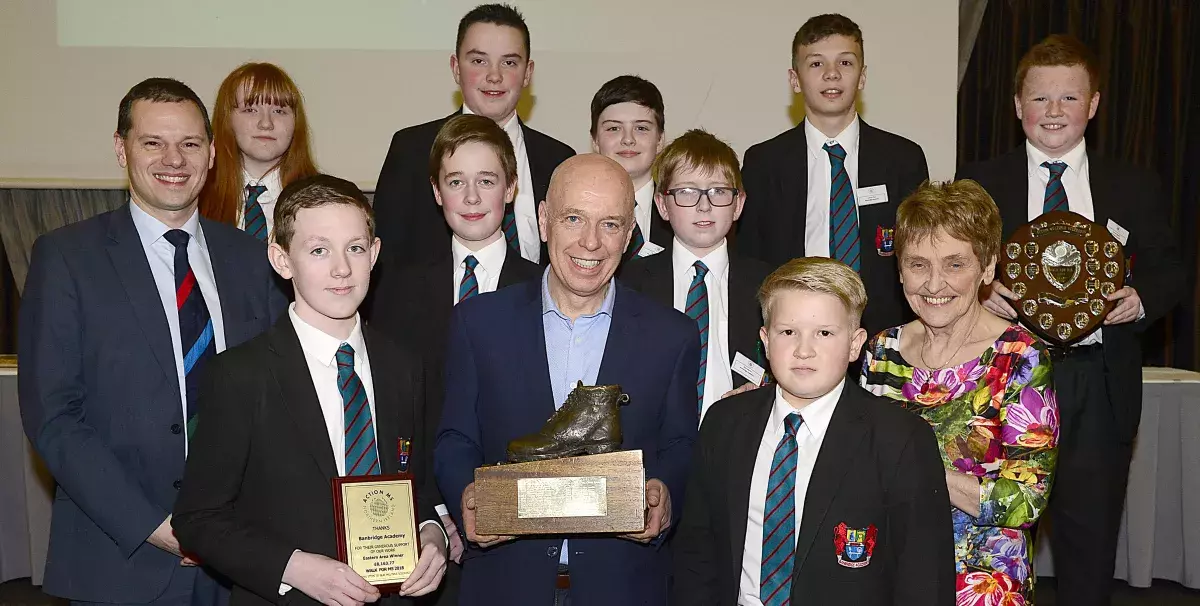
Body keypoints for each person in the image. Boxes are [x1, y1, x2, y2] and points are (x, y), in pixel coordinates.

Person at [18, 77, 286, 605]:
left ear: (211, 154)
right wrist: (154, 525)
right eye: (153, 143)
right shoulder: (68, 258)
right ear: (121, 149)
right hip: (124, 560)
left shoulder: (254, 260)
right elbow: (53, 415)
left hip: (244, 564)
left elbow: (280, 395)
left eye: (189, 144)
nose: (174, 159)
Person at [956, 34, 1184, 605]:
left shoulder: (1134, 184)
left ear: (1095, 105)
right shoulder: (979, 182)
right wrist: (978, 293)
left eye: (1068, 98)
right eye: (1040, 99)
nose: (1053, 112)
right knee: (992, 542)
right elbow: (951, 264)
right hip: (1004, 383)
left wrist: (1142, 299)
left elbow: (1171, 267)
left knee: (1089, 546)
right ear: (1017, 106)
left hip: (1097, 383)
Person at [434, 154, 700, 606]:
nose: (591, 242)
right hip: (505, 583)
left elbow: (680, 445)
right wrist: (468, 494)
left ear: (630, 233)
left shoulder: (671, 335)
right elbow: (454, 437)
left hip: (624, 586)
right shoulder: (477, 324)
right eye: (573, 218)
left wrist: (665, 494)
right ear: (543, 220)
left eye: (611, 224)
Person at [173, 175, 448, 606]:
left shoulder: (403, 367)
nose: (342, 268)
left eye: (355, 248)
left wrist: (433, 536)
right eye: (319, 250)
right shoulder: (242, 374)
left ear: (374, 255)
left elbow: (420, 485)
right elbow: (197, 518)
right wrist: (294, 567)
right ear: (282, 261)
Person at [673, 257, 954, 605]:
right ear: (765, 339)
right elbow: (696, 555)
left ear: (855, 344)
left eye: (824, 333)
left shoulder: (901, 440)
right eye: (788, 332)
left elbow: (925, 580)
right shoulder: (724, 423)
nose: (804, 350)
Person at [860, 180, 1059, 604]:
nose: (934, 284)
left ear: (987, 268)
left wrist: (923, 470)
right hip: (887, 576)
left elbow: (1026, 500)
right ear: (899, 269)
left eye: (955, 264)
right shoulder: (880, 351)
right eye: (918, 264)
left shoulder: (1019, 357)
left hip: (981, 582)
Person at [365, 114, 542, 591]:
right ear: (436, 191)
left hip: (522, 527)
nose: (470, 197)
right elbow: (394, 413)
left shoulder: (544, 290)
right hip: (422, 524)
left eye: (486, 181)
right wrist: (434, 511)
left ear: (511, 188)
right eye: (455, 181)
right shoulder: (392, 292)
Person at [739, 13, 929, 336]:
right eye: (816, 64)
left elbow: (923, 257)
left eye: (845, 63)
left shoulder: (903, 159)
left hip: (886, 339)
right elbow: (749, 266)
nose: (831, 75)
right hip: (795, 340)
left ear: (863, 76)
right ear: (795, 80)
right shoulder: (762, 163)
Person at [373, 3, 574, 268]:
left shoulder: (560, 160)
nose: (494, 76)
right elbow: (386, 260)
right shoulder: (411, 150)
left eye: (509, 62)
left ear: (528, 73)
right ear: (456, 68)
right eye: (479, 61)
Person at [622, 129, 773, 420]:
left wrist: (768, 388)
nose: (704, 205)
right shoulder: (630, 284)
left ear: (738, 204)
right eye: (687, 191)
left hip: (740, 437)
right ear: (663, 205)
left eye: (718, 191)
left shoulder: (770, 284)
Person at [199, 62, 319, 241]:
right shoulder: (196, 198)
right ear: (227, 119)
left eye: (279, 110)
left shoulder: (323, 201)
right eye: (250, 110)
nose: (266, 123)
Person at [589, 74, 670, 260]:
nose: (628, 139)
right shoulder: (575, 207)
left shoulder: (681, 209)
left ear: (660, 140)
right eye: (613, 129)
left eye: (641, 128)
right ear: (595, 140)